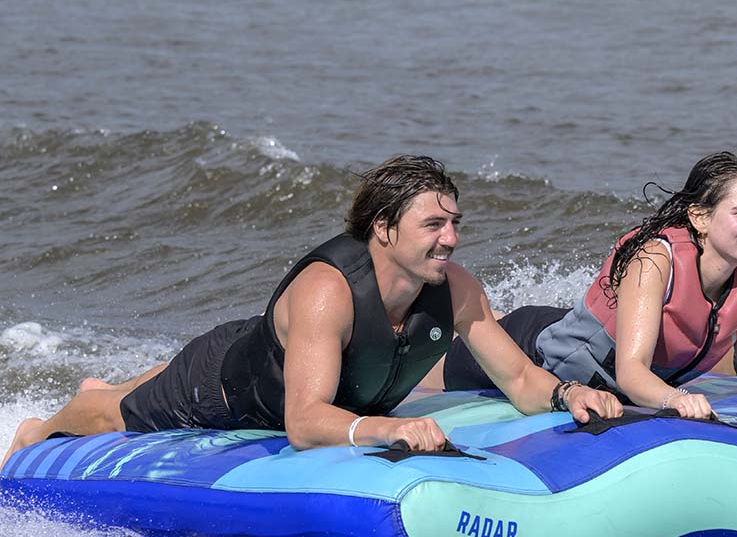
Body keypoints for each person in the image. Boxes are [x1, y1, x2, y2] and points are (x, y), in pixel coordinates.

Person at [4, 155, 620, 467]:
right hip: (224, 388)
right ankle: (39, 428)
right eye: (433, 224)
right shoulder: (330, 290)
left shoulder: (456, 288)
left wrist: (568, 395)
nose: (451, 238)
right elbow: (302, 423)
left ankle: (113, 383)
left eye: (455, 223)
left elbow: (518, 378)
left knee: (137, 387)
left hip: (274, 355)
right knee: (117, 414)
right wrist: (388, 428)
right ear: (383, 228)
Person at [443, 151, 737, 418]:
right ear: (699, 216)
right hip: (534, 352)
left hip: (590, 349)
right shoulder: (656, 259)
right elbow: (632, 372)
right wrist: (677, 399)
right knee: (438, 365)